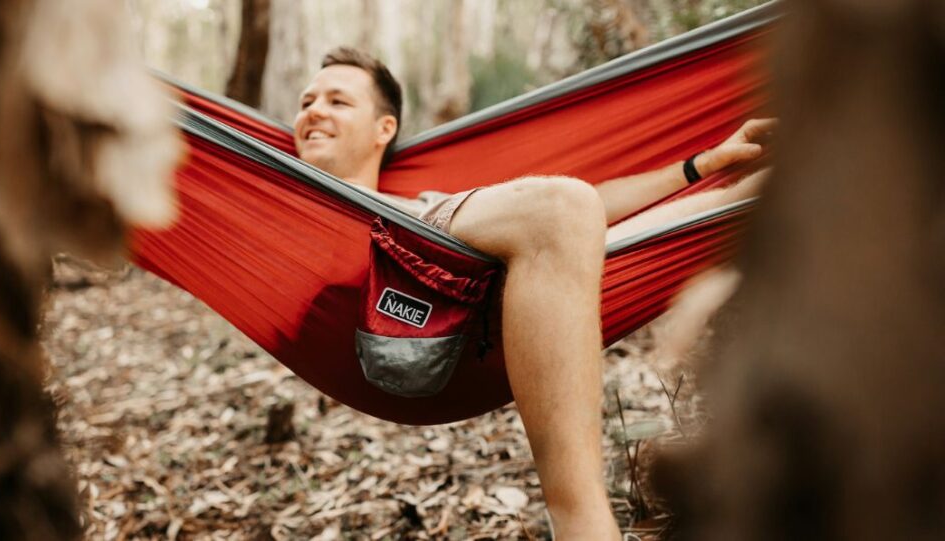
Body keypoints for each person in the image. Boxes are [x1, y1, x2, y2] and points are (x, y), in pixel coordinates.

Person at [294, 46, 773, 540]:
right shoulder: (276, 202)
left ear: (384, 130)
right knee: (562, 207)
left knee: (735, 194)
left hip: (473, 271)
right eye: (307, 100)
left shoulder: (426, 201)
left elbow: (579, 211)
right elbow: (561, 208)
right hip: (411, 275)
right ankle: (581, 525)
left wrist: (703, 164)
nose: (314, 110)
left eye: (337, 101)